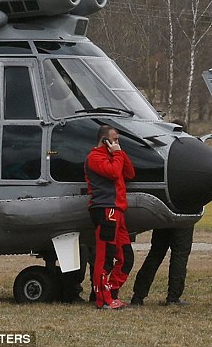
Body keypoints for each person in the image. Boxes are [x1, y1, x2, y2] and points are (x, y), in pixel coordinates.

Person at [130, 120, 195, 307]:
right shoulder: (191, 154)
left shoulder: (161, 154)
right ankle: (173, 297)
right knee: (180, 255)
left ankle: (138, 294)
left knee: (156, 252)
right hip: (185, 211)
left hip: (164, 211)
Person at [85, 125, 136, 310]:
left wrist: (119, 152)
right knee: (105, 256)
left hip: (118, 210)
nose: (117, 143)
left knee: (126, 257)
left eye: (118, 140)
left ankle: (111, 291)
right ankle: (102, 299)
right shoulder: (95, 157)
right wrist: (116, 154)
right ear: (104, 140)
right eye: (114, 139)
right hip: (105, 209)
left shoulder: (115, 156)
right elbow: (114, 172)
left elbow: (129, 173)